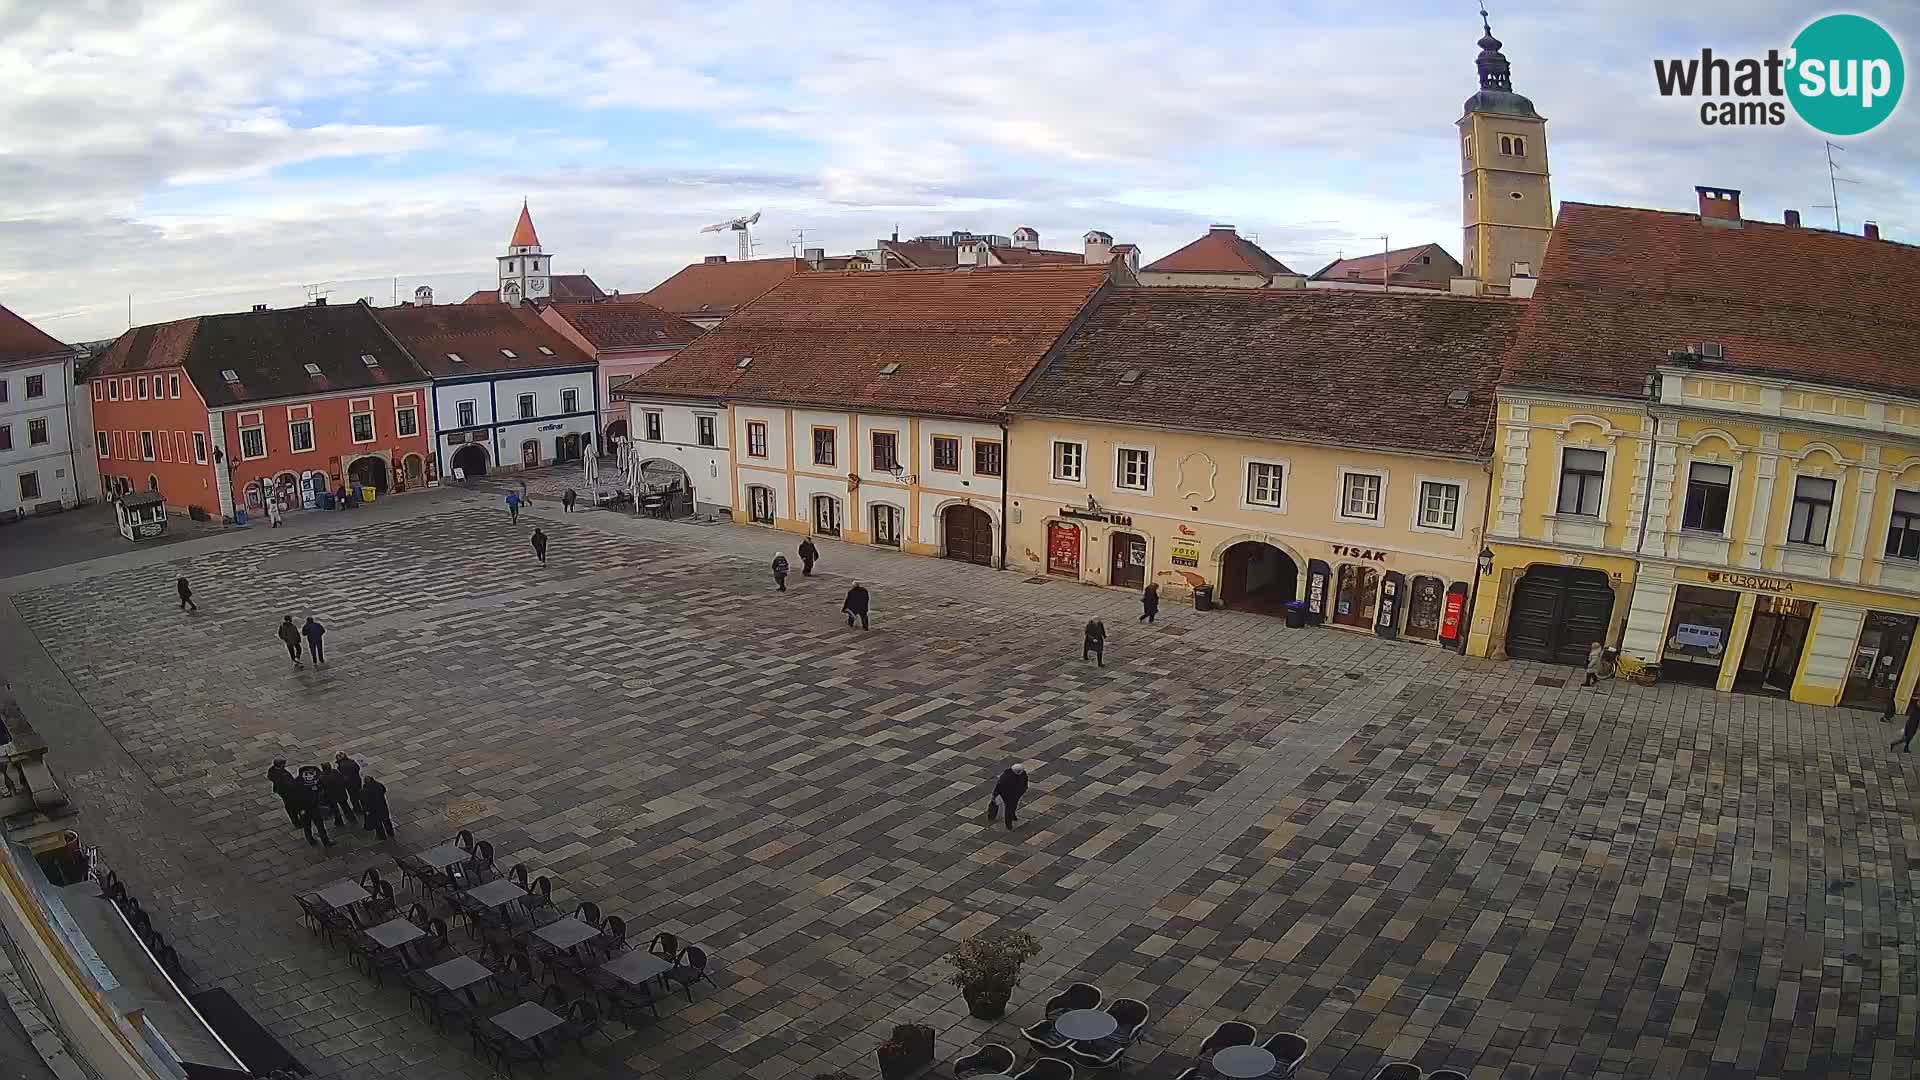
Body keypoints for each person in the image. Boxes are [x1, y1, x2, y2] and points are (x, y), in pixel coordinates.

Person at [295, 769, 333, 848]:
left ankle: (315, 840)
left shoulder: (303, 782)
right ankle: (323, 841)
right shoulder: (300, 784)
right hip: (308, 809)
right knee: (315, 826)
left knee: (312, 826)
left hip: (309, 809)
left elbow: (320, 787)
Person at [988, 764, 1029, 831]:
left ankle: (1012, 816)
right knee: (1008, 809)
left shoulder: (1022, 773)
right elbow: (999, 785)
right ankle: (1008, 824)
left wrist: (1023, 789)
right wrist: (995, 794)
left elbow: (1025, 782)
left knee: (1013, 806)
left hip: (1015, 795)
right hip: (1006, 795)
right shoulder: (1006, 776)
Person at [317, 762, 353, 826]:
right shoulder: (335, 772)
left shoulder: (322, 777)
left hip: (331, 796)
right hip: (341, 793)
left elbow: (320, 787)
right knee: (346, 807)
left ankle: (339, 822)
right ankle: (351, 818)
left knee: (335, 810)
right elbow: (342, 780)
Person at [266, 758, 300, 827]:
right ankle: (296, 823)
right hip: (287, 792)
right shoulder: (280, 775)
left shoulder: (274, 770)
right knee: (291, 807)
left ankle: (297, 820)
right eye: (283, 764)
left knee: (293, 806)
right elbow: (288, 784)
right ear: (279, 765)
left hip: (284, 791)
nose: (284, 765)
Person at [360, 774, 394, 839]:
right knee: (386, 820)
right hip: (382, 806)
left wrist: (366, 810)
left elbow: (364, 802)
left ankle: (382, 836)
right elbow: (384, 790)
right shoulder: (378, 785)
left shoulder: (364, 791)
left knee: (378, 824)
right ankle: (390, 832)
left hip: (373, 810)